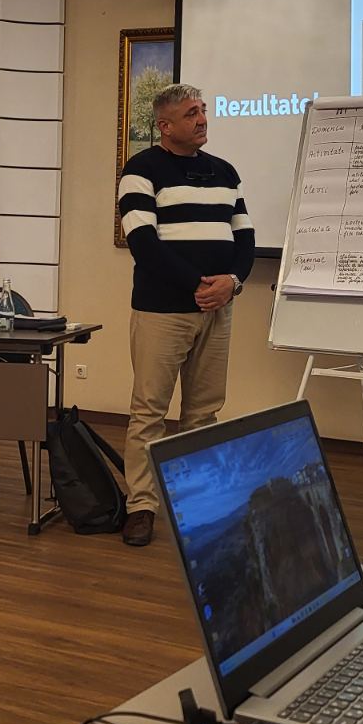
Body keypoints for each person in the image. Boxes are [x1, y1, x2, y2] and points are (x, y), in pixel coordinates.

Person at [116, 83, 254, 546]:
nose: (202, 119)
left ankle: (196, 506)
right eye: (192, 113)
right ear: (165, 125)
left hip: (218, 310)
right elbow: (143, 243)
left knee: (203, 413)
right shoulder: (141, 169)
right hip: (163, 312)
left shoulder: (225, 172)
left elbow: (246, 238)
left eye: (203, 110)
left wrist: (232, 282)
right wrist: (199, 284)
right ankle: (141, 506)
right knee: (149, 413)